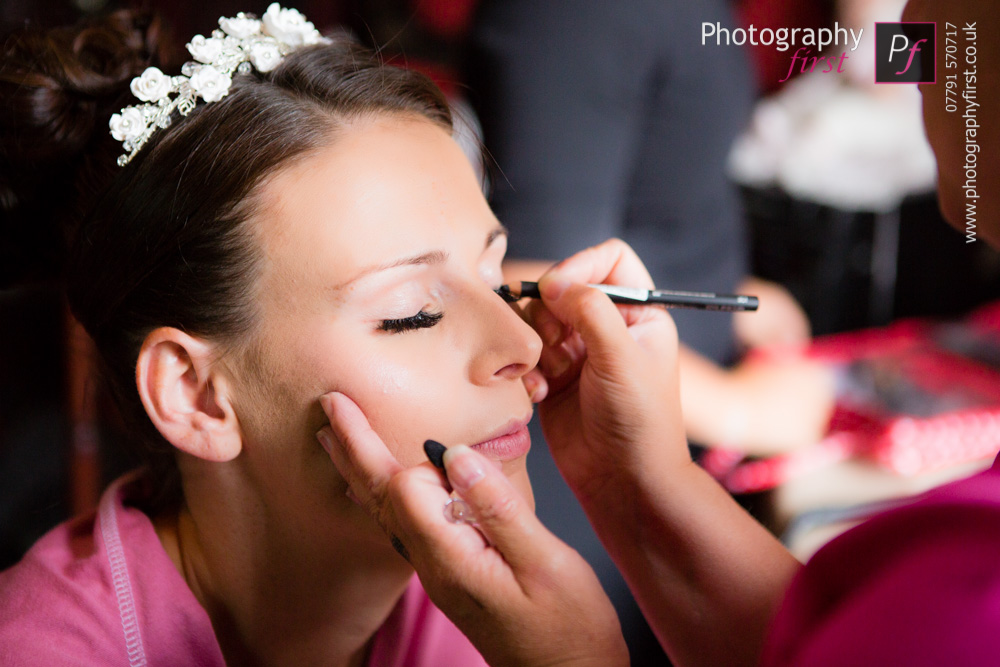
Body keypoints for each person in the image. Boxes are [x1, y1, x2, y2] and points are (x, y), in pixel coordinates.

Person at [324, 0, 1000, 664]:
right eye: (411, 310)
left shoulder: (965, 603)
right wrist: (647, 479)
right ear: (210, 396)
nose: (910, 21)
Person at [0, 6, 625, 665]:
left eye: (498, 279)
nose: (522, 344)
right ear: (197, 393)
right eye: (412, 311)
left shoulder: (495, 626)